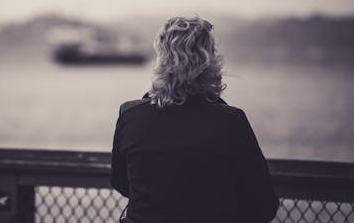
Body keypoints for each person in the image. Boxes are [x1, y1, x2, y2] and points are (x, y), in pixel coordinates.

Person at [110, 16, 279, 223]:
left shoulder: (130, 115)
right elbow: (264, 205)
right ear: (210, 61)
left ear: (161, 58)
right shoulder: (231, 122)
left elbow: (120, 181)